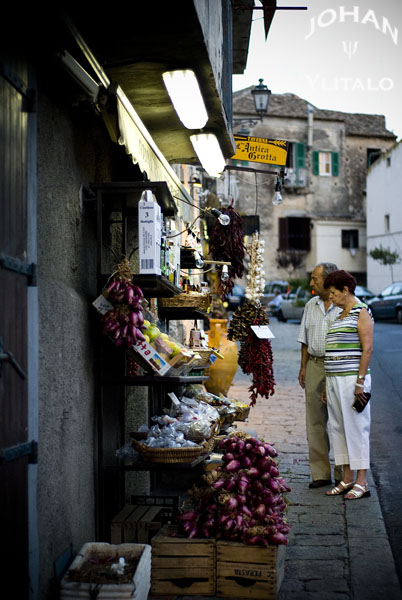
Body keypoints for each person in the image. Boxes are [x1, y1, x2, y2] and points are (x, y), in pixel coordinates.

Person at [322, 270, 374, 500]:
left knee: (356, 428)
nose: (330, 297)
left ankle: (361, 482)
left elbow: (368, 348)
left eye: (333, 293)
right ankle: (346, 478)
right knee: (338, 429)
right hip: (334, 380)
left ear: (345, 290)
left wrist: (360, 382)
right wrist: (326, 382)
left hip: (352, 380)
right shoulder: (339, 314)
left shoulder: (360, 311)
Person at [298, 263, 343, 488]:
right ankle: (320, 474)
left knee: (338, 420)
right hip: (315, 365)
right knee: (315, 421)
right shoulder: (310, 305)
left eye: (315, 278)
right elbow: (304, 340)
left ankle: (343, 474)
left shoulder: (343, 307)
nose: (311, 283)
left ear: (328, 280)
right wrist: (303, 367)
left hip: (338, 366)